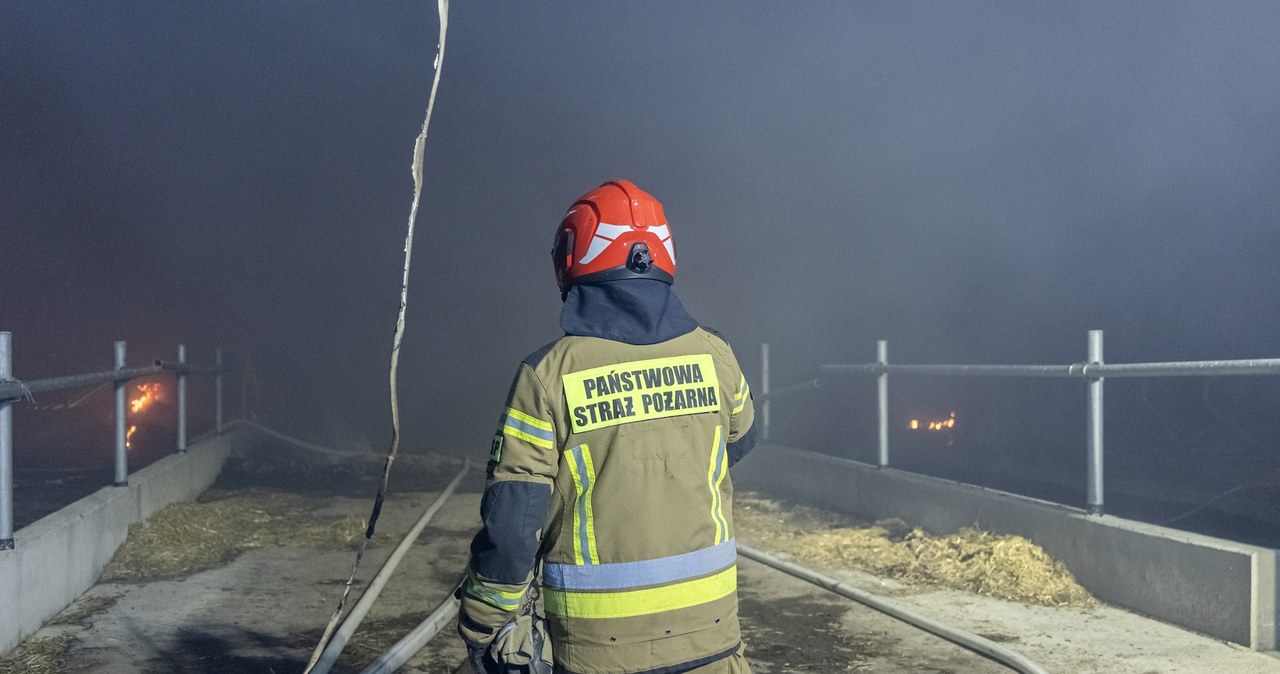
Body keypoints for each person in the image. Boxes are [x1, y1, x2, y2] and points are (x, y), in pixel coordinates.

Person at [457, 179, 758, 674]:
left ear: (572, 258)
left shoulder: (546, 375)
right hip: (713, 636)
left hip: (599, 649)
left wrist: (483, 621)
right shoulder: (716, 354)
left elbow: (513, 523)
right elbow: (740, 441)